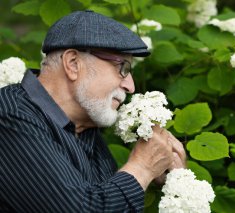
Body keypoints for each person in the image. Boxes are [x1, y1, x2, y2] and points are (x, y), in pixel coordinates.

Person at [0, 10, 186, 212]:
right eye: (122, 68)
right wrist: (142, 168)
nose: (130, 86)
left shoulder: (86, 129)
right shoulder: (9, 115)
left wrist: (160, 172)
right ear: (73, 64)